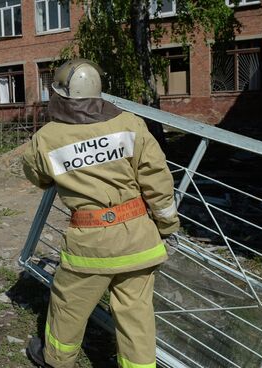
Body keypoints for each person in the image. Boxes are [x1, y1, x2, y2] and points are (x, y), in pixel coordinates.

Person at [22, 59, 179, 368]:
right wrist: (168, 226)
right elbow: (158, 181)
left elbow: (38, 177)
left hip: (90, 246)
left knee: (69, 306)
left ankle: (55, 359)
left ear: (60, 94)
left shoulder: (47, 137)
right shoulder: (131, 124)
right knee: (136, 316)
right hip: (138, 240)